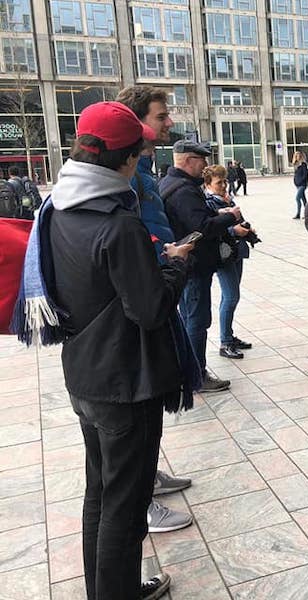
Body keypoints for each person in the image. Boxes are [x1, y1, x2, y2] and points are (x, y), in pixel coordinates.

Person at [35, 101, 186, 600]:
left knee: (99, 495)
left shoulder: (56, 208)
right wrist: (173, 265)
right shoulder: (118, 224)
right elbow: (150, 309)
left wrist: (148, 261)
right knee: (125, 504)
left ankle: (105, 591)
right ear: (127, 160)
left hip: (84, 375)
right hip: (125, 382)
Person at [116, 85, 196, 535]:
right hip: (144, 290)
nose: (169, 124)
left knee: (156, 396)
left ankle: (149, 479)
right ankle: (142, 500)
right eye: (161, 116)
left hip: (162, 276)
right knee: (143, 400)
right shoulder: (126, 172)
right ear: (136, 121)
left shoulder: (144, 166)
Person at [161, 140, 241, 388]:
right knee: (196, 320)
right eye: (201, 160)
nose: (205, 164)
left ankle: (188, 371)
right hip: (194, 266)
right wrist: (229, 217)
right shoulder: (183, 189)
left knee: (188, 318)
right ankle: (196, 375)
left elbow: (193, 219)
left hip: (186, 264)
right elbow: (201, 227)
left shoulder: (169, 183)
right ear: (188, 161)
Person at [202, 164, 255, 359]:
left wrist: (246, 229)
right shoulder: (208, 203)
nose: (224, 185)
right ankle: (225, 341)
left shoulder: (227, 199)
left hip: (236, 251)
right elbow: (210, 229)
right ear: (208, 184)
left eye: (225, 181)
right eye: (219, 182)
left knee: (231, 297)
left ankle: (229, 335)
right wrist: (234, 231)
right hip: (223, 254)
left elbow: (238, 220)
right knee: (231, 296)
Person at [292, 151, 308, 219]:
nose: (298, 157)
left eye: (299, 155)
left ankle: (299, 213)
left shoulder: (303, 164)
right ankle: (307, 213)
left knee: (297, 198)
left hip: (302, 184)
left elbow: (305, 175)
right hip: (297, 184)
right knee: (303, 199)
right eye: (296, 156)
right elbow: (296, 175)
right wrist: (295, 181)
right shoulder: (295, 165)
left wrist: (302, 181)